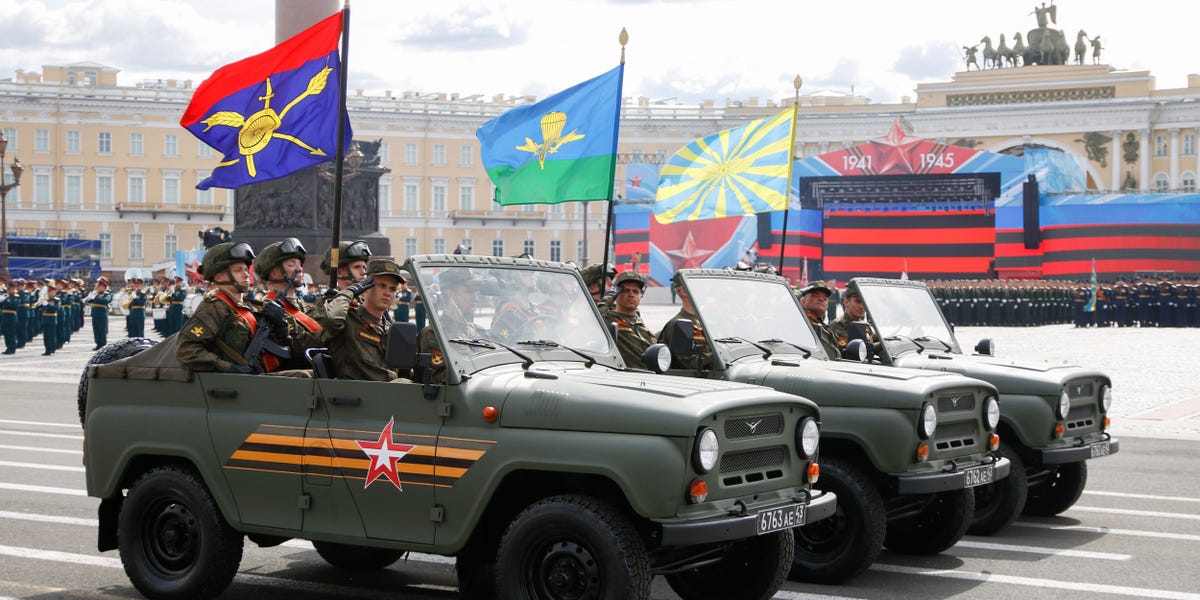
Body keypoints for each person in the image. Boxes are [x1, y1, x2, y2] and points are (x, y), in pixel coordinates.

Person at [177, 242, 290, 374]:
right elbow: (186, 350)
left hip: (262, 374)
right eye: (238, 270)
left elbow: (283, 345)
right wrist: (228, 367)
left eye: (246, 270)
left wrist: (282, 325)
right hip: (236, 383)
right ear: (218, 276)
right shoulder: (213, 308)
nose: (246, 275)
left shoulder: (250, 307)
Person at [325, 259, 408, 381]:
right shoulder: (349, 319)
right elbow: (332, 321)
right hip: (354, 394)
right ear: (366, 287)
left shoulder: (391, 329)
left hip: (388, 393)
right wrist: (348, 293)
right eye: (382, 286)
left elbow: (403, 368)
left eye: (392, 289)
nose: (387, 293)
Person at [255, 238, 324, 371]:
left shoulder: (302, 305)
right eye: (292, 265)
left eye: (300, 264)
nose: (299, 269)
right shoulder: (266, 308)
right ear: (274, 272)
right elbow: (294, 348)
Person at [419, 268, 484, 383]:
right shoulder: (435, 334)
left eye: (476, 292)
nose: (475, 298)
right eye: (469, 291)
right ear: (449, 293)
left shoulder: (479, 331)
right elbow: (438, 379)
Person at [308, 240, 372, 327]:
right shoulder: (326, 304)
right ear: (339, 273)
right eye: (357, 267)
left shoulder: (368, 301)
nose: (363, 272)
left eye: (364, 267)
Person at [657, 272, 711, 370]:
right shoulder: (679, 324)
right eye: (699, 286)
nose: (705, 290)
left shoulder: (707, 322)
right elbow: (689, 363)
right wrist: (718, 355)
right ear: (683, 291)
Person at [605, 271, 656, 368]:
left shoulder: (641, 325)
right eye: (625, 290)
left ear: (641, 296)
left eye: (635, 291)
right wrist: (608, 298)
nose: (631, 294)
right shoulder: (608, 320)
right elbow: (594, 315)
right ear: (616, 293)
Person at [830, 282, 881, 357]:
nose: (861, 306)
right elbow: (853, 351)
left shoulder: (866, 326)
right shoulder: (838, 325)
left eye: (864, 302)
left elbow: (877, 339)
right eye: (858, 301)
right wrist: (880, 345)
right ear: (846, 302)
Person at [797, 281, 840, 359]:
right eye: (815, 295)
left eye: (825, 298)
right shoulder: (800, 322)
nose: (821, 299)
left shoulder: (826, 328)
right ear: (803, 302)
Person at [87, 276, 113, 349]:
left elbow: (105, 301)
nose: (99, 288)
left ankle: (103, 344)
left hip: (102, 314)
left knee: (102, 330)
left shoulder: (107, 294)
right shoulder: (96, 294)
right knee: (96, 329)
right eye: (98, 287)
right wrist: (90, 297)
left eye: (101, 287)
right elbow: (89, 301)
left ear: (104, 288)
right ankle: (98, 343)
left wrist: (95, 298)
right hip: (95, 314)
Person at [39, 281, 60, 356]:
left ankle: (51, 350)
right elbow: (39, 309)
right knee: (46, 336)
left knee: (51, 336)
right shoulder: (45, 299)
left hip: (52, 319)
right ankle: (47, 350)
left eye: (52, 291)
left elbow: (55, 308)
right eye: (49, 291)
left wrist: (47, 304)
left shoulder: (56, 300)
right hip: (45, 319)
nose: (51, 293)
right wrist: (41, 303)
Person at [1, 277, 17, 354]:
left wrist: (5, 300)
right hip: (5, 316)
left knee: (11, 333)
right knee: (6, 333)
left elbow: (13, 306)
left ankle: (12, 348)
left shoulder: (16, 297)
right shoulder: (6, 296)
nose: (9, 290)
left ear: (13, 289)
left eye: (10, 289)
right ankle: (8, 347)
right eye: (8, 289)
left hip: (11, 316)